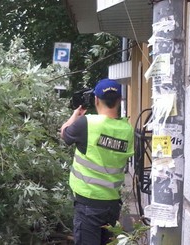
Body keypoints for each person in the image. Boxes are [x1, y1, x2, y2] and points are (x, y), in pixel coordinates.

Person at [60, 78, 134, 245]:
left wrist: (75, 116)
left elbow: (64, 134)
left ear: (96, 100)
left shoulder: (88, 123)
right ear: (119, 101)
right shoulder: (127, 130)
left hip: (88, 204)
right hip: (111, 206)